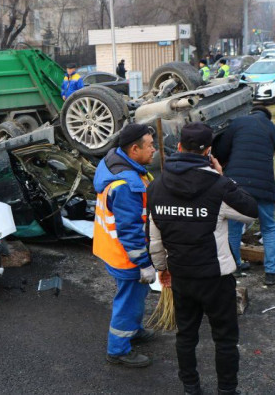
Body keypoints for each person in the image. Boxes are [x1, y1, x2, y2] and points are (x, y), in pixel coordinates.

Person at [147, 122, 258, 395]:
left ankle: (191, 388)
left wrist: (162, 268)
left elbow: (155, 237)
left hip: (181, 276)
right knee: (225, 339)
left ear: (180, 146)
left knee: (185, 335)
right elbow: (251, 211)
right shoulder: (218, 185)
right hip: (215, 278)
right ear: (209, 151)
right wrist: (223, 175)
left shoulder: (156, 186)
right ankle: (227, 391)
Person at [92, 123, 157, 368]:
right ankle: (118, 349)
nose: (154, 150)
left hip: (111, 248)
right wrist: (144, 263)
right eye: (149, 146)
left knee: (135, 297)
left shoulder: (113, 162)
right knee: (129, 300)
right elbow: (130, 229)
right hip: (126, 255)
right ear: (133, 149)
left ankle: (133, 329)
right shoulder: (128, 185)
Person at [213, 106, 275, 285]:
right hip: (264, 184)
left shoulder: (238, 123)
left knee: (234, 226)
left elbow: (221, 150)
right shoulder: (274, 130)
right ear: (268, 118)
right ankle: (271, 273)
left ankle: (235, 266)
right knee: (268, 227)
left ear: (251, 113)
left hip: (237, 185)